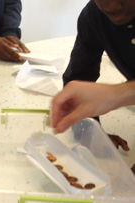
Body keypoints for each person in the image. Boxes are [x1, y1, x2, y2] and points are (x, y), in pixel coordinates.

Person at [52, 0, 135, 151]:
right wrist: (90, 134)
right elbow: (79, 77)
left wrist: (118, 94)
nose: (111, 6)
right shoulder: (93, 17)